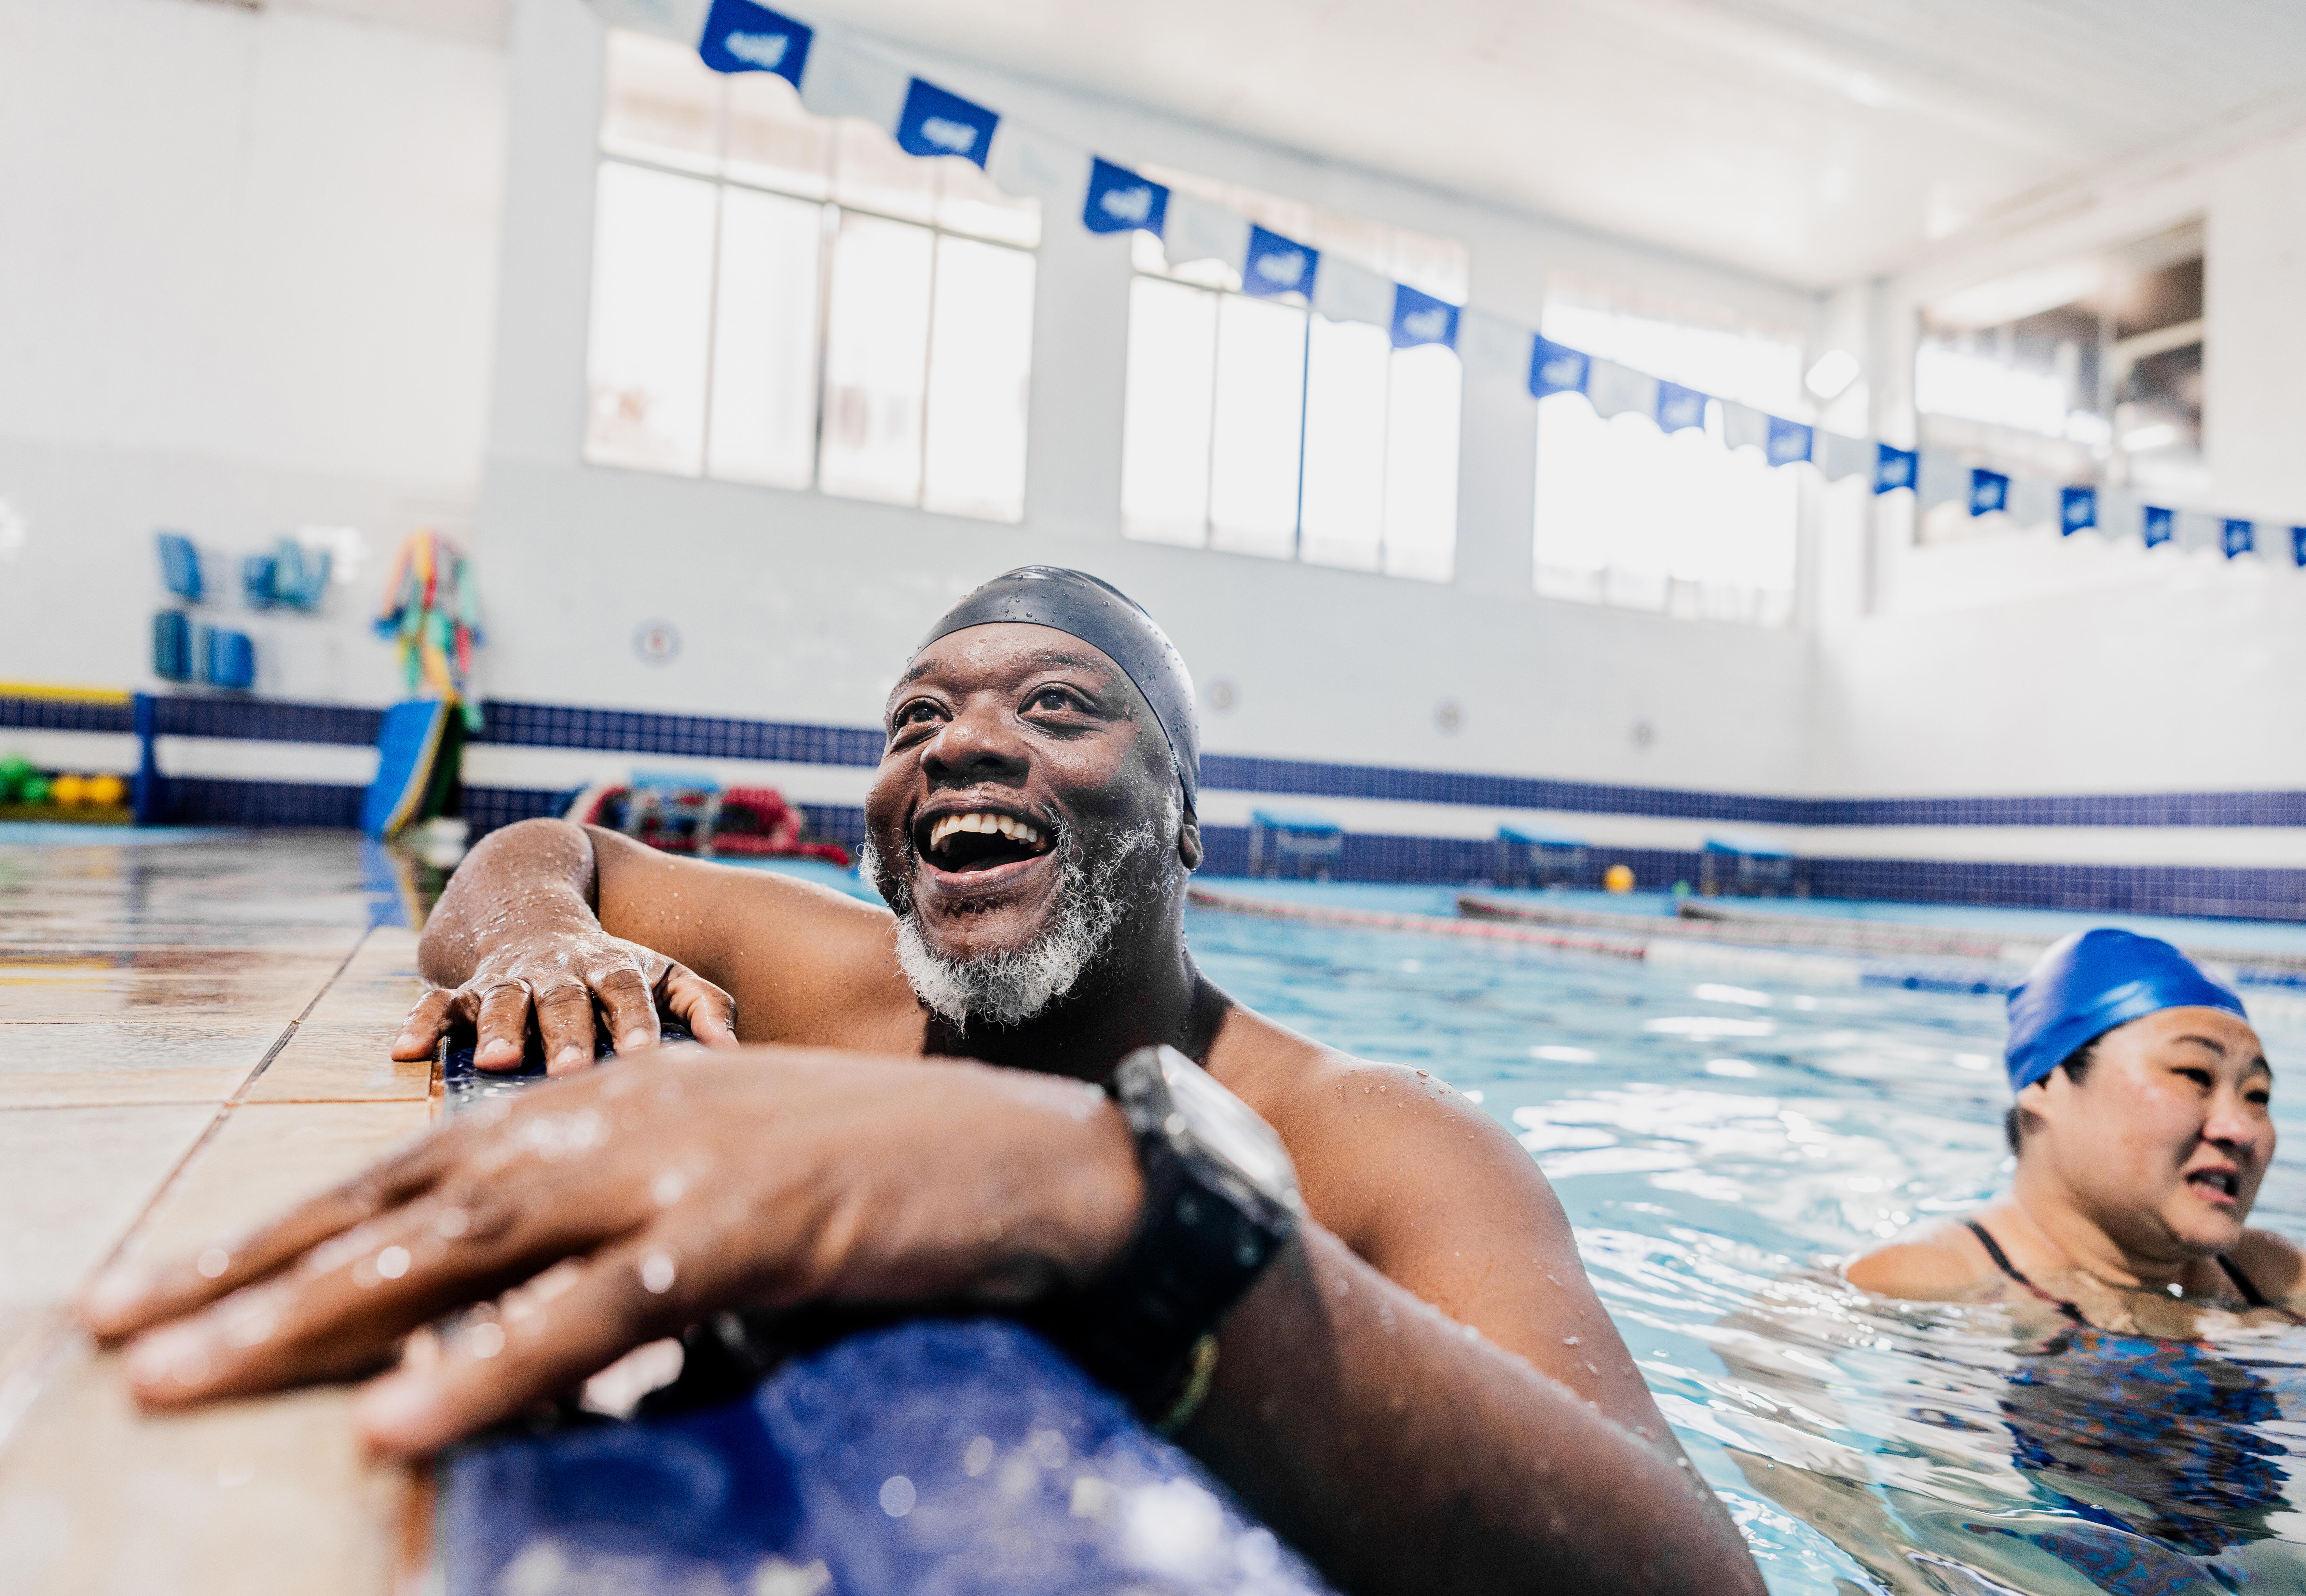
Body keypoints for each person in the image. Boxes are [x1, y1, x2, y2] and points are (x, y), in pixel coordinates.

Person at [82, 567, 1763, 1596]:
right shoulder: (828, 973)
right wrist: (537, 939)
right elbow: (541, 849)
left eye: (1054, 706)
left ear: (1182, 819)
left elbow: (1687, 1568)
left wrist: (1122, 1205)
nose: (958, 744)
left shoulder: (1379, 1145)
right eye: (912, 721)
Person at [1847, 927, 2306, 1328]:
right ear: (2046, 1086)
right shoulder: (1907, 1286)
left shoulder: (2292, 1283)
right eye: (2194, 1075)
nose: (2239, 1129)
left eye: (2258, 1096)